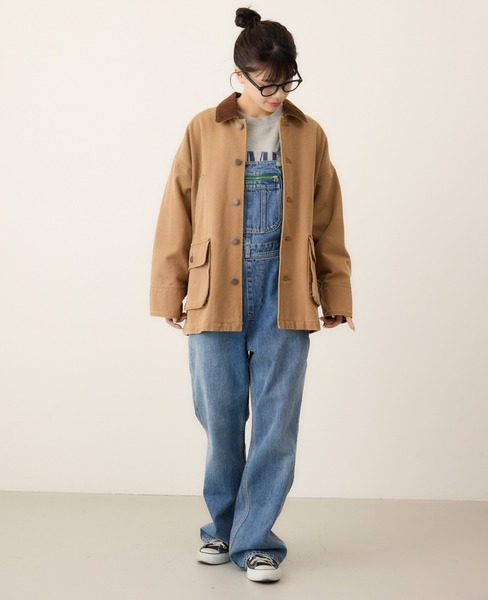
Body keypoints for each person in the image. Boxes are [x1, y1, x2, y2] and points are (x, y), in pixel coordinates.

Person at [150, 7, 355, 583]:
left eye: (287, 83)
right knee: (219, 418)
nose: (277, 95)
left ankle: (257, 540)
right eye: (267, 85)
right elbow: (176, 211)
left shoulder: (309, 134)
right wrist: (170, 291)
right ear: (237, 75)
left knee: (275, 424)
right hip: (214, 290)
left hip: (286, 294)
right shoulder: (202, 129)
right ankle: (222, 526)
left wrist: (336, 293)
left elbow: (327, 219)